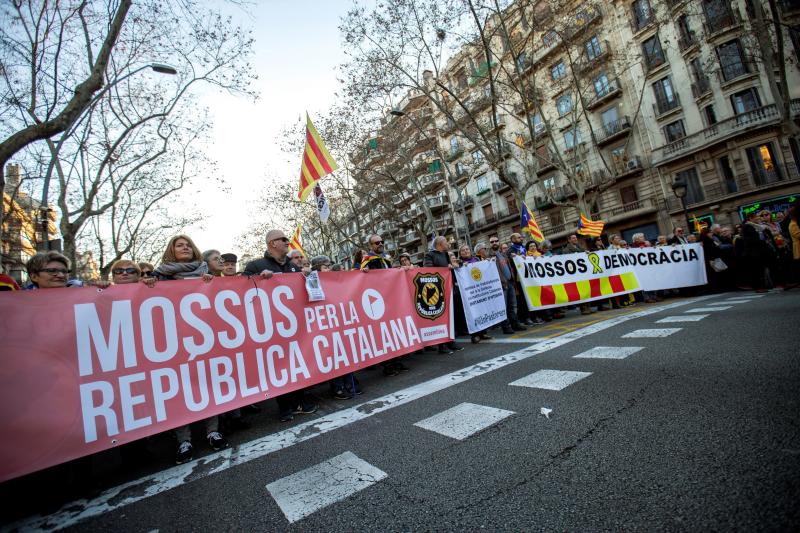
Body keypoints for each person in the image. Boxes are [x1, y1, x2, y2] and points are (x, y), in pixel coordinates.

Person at [152, 235, 226, 463]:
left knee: (207, 382)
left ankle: (212, 431)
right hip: (173, 339)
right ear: (171, 250)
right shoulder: (159, 275)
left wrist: (211, 283)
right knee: (179, 388)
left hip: (205, 337)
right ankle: (184, 440)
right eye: (179, 245)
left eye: (187, 245)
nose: (184, 248)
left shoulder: (207, 272)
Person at [243, 229, 319, 422]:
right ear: (272, 243)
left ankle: (300, 401)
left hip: (295, 326)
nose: (287, 242)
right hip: (270, 327)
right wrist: (258, 278)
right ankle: (285, 407)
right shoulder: (255, 265)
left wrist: (306, 276)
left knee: (296, 363)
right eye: (283, 239)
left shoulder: (292, 267)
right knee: (279, 367)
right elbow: (241, 289)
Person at [311, 255, 363, 398]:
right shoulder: (312, 282)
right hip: (326, 325)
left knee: (345, 354)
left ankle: (350, 383)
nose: (329, 269)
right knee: (333, 356)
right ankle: (337, 387)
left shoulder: (336, 280)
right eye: (325, 266)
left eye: (329, 266)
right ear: (317, 269)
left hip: (340, 322)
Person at [361, 234, 409, 375]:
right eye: (377, 243)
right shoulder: (367, 260)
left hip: (390, 298)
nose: (380, 244)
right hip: (377, 301)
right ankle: (387, 365)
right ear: (370, 246)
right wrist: (363, 272)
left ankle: (396, 361)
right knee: (382, 334)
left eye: (382, 242)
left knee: (393, 331)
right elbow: (361, 277)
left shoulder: (386, 258)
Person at [423, 236, 464, 353]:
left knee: (450, 316)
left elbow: (456, 264)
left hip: (448, 288)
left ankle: (451, 341)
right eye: (446, 242)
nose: (448, 244)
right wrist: (445, 268)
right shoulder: (429, 255)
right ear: (440, 244)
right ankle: (442, 345)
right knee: (440, 318)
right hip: (436, 291)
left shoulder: (446, 254)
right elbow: (428, 269)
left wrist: (456, 265)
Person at [490, 235, 526, 333]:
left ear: (499, 242)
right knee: (504, 306)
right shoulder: (489, 256)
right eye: (492, 242)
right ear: (490, 244)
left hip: (510, 282)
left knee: (513, 305)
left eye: (496, 241)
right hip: (501, 284)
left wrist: (518, 256)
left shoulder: (504, 254)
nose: (494, 243)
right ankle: (506, 327)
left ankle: (515, 324)